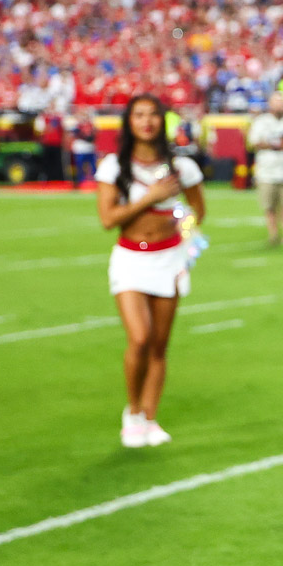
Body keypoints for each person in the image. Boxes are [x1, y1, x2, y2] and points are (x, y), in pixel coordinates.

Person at [95, 94, 207, 448]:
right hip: (130, 259)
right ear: (129, 122)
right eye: (139, 115)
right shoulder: (114, 166)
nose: (147, 121)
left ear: (163, 121)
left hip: (169, 259)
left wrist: (186, 234)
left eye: (153, 115)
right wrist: (149, 198)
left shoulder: (181, 167)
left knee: (159, 345)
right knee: (139, 338)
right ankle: (132, 410)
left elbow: (198, 211)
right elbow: (108, 219)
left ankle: (149, 416)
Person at [247, 93, 283, 246]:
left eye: (281, 102)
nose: (279, 106)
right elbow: (253, 142)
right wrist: (275, 145)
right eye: (276, 103)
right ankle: (273, 235)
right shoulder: (261, 121)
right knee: (269, 206)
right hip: (267, 171)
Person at [70, 110, 98, 187]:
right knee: (79, 166)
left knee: (93, 166)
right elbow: (77, 134)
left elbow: (93, 136)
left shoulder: (91, 125)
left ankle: (95, 181)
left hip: (90, 148)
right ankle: (79, 182)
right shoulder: (77, 126)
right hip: (80, 149)